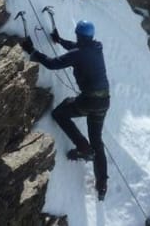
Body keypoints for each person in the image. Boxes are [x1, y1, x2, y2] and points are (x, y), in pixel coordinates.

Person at [21, 20, 110, 200]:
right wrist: (60, 40)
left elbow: (53, 64)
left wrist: (32, 51)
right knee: (97, 141)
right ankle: (102, 184)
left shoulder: (79, 53)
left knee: (60, 113)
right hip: (104, 102)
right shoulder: (96, 47)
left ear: (79, 34)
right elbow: (78, 48)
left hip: (88, 100)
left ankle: (84, 148)